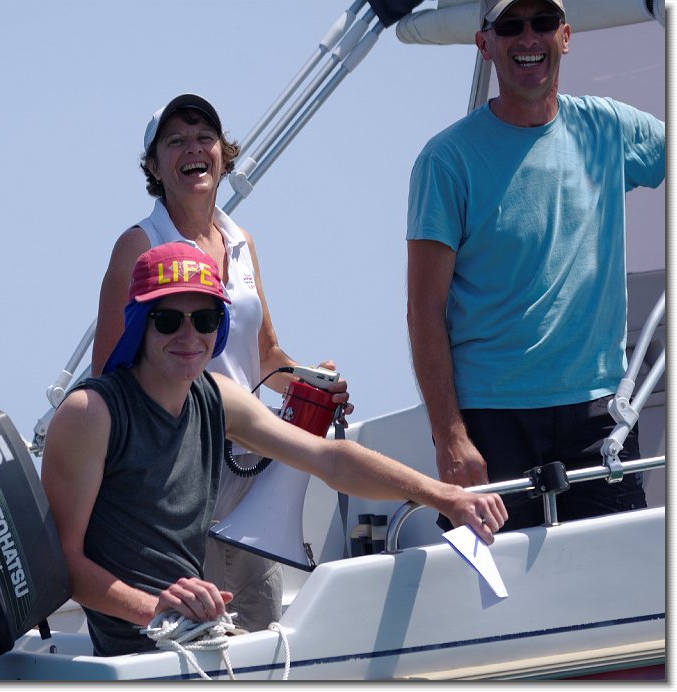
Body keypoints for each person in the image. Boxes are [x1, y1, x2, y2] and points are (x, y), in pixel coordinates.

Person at [44, 242, 507, 656]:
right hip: (134, 659)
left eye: (205, 320)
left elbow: (329, 459)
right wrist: (156, 611)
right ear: (139, 325)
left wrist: (445, 496)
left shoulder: (216, 397)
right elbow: (61, 563)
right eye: (168, 320)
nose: (189, 336)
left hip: (198, 644)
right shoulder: (90, 414)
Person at [91, 93, 352, 632]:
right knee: (195, 634)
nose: (193, 149)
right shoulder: (138, 247)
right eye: (176, 141)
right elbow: (107, 379)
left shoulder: (241, 241)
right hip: (176, 475)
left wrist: (314, 380)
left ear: (223, 154)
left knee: (260, 628)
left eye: (204, 137)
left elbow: (266, 354)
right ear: (154, 166)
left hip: (250, 471)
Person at [405, 0, 664, 532]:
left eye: (543, 22)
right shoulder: (446, 161)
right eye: (511, 26)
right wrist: (450, 438)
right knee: (491, 584)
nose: (528, 38)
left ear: (565, 36)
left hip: (599, 413)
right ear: (485, 44)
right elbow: (423, 309)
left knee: (615, 576)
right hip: (490, 424)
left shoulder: (608, 128)